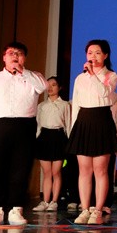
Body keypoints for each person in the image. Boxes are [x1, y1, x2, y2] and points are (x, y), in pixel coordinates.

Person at [0, 41, 48, 226]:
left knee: (21, 168)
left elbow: (43, 87)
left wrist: (23, 72)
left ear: (24, 58)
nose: (15, 56)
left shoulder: (34, 77)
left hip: (24, 126)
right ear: (4, 57)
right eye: (11, 53)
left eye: (19, 53)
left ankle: (16, 210)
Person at [67, 39, 117, 225]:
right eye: (90, 53)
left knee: (100, 170)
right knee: (84, 170)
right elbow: (76, 104)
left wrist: (92, 75)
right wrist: (73, 129)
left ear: (105, 55)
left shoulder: (111, 76)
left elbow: (104, 93)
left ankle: (97, 210)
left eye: (97, 53)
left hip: (101, 121)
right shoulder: (79, 78)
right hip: (83, 121)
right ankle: (84, 209)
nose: (93, 56)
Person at [32, 77, 72, 213]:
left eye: (53, 85)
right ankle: (45, 201)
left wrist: (69, 142)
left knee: (56, 172)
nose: (50, 88)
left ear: (59, 87)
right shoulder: (41, 106)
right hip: (44, 137)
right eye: (48, 85)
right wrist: (36, 140)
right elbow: (38, 125)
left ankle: (54, 201)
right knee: (47, 172)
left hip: (59, 137)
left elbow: (68, 125)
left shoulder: (65, 105)